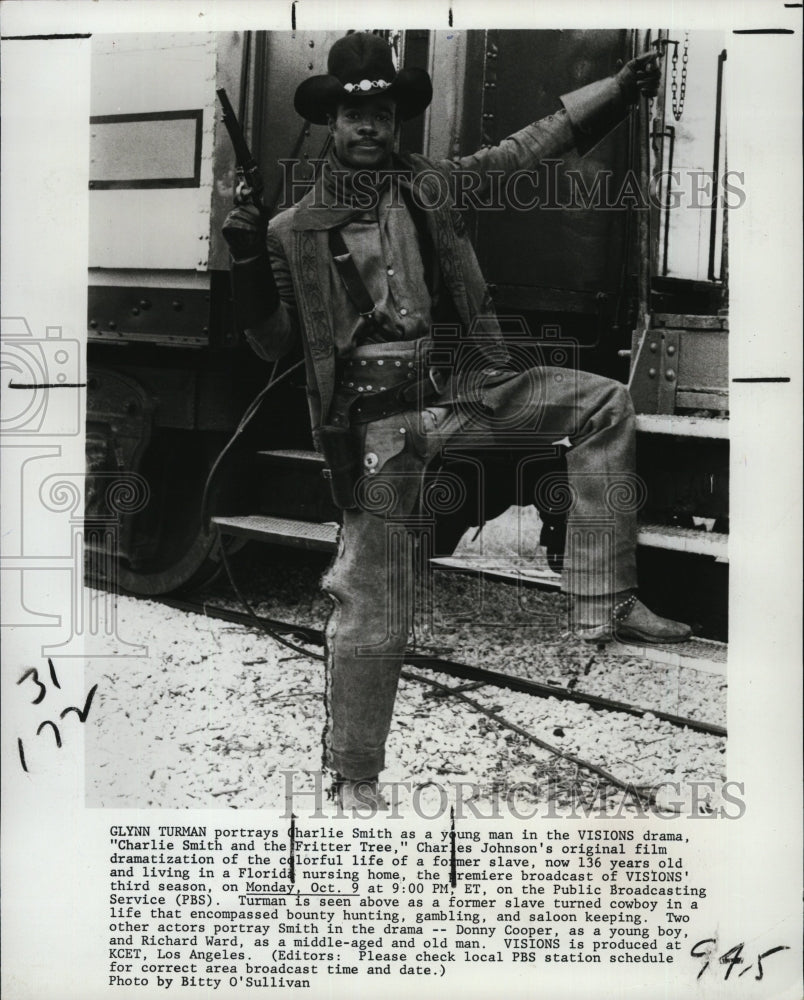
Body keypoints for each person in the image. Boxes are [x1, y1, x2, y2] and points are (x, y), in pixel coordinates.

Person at [222, 32, 691, 808]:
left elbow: (525, 149)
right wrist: (245, 262)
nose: (369, 126)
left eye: (382, 114)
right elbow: (272, 344)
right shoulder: (293, 230)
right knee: (374, 600)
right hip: (380, 426)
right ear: (333, 122)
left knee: (604, 404)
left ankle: (604, 601)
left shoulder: (434, 186)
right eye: (353, 114)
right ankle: (355, 777)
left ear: (396, 121)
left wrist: (616, 89)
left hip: (473, 396)